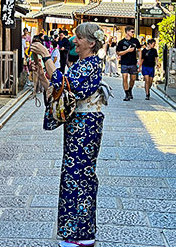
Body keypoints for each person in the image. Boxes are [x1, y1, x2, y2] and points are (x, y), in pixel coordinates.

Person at [30, 23, 107, 247]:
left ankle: (83, 234)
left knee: (80, 176)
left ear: (91, 43)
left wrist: (46, 56)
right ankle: (73, 232)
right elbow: (60, 89)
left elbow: (67, 84)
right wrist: (42, 76)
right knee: (72, 175)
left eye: (79, 38)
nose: (74, 41)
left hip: (86, 125)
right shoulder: (83, 63)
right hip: (78, 125)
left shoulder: (92, 64)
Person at [116, 26, 141, 101]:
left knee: (133, 79)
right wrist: (127, 50)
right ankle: (127, 94)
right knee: (125, 77)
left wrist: (139, 60)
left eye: (133, 32)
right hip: (124, 63)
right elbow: (118, 53)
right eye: (132, 32)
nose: (133, 33)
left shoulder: (135, 41)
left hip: (133, 63)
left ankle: (130, 90)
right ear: (127, 32)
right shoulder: (121, 42)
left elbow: (139, 50)